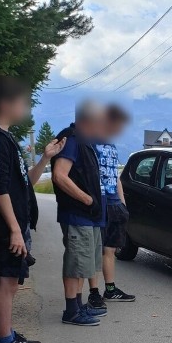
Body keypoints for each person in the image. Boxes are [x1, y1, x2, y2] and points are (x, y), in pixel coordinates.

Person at [0, 76, 65, 343]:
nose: (26, 108)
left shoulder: (6, 138)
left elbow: (25, 185)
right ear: (4, 104)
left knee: (12, 280)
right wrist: (13, 229)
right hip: (5, 225)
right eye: (22, 102)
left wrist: (45, 158)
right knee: (6, 279)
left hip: (15, 224)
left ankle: (8, 334)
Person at [51, 101, 107, 326]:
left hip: (89, 216)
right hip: (78, 214)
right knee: (76, 263)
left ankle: (79, 305)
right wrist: (87, 199)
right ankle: (71, 311)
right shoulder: (72, 139)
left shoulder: (85, 141)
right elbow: (59, 175)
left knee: (84, 264)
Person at [87, 103, 135, 309]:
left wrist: (123, 203)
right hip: (99, 203)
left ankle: (111, 289)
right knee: (96, 248)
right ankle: (93, 293)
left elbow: (116, 177)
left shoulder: (111, 147)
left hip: (115, 203)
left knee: (110, 249)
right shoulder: (89, 144)